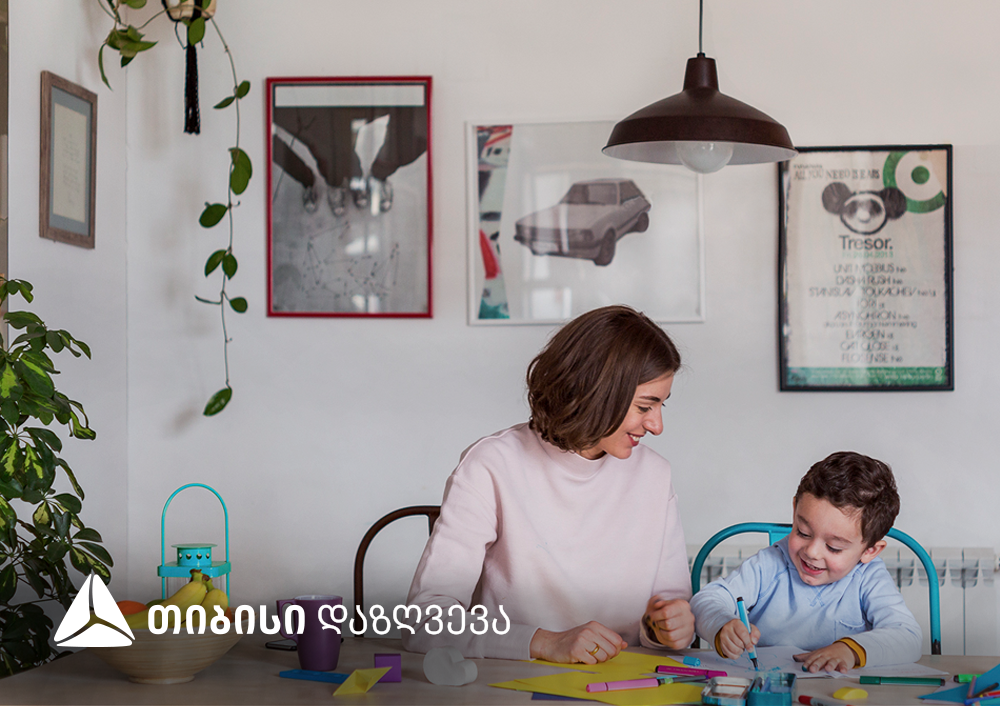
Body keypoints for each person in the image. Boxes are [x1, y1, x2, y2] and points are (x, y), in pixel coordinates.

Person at [401, 305, 695, 662]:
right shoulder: (491, 464)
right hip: (513, 682)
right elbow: (425, 621)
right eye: (645, 406)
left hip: (623, 683)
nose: (657, 426)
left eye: (662, 405)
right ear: (596, 391)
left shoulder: (655, 475)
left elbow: (669, 611)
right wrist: (544, 642)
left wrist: (667, 628)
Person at [690, 451, 922, 672]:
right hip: (767, 686)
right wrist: (722, 625)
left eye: (834, 547)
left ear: (870, 550)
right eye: (803, 532)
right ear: (795, 510)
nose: (812, 552)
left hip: (836, 690)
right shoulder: (770, 564)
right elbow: (705, 600)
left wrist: (850, 650)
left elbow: (908, 636)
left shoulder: (869, 577)